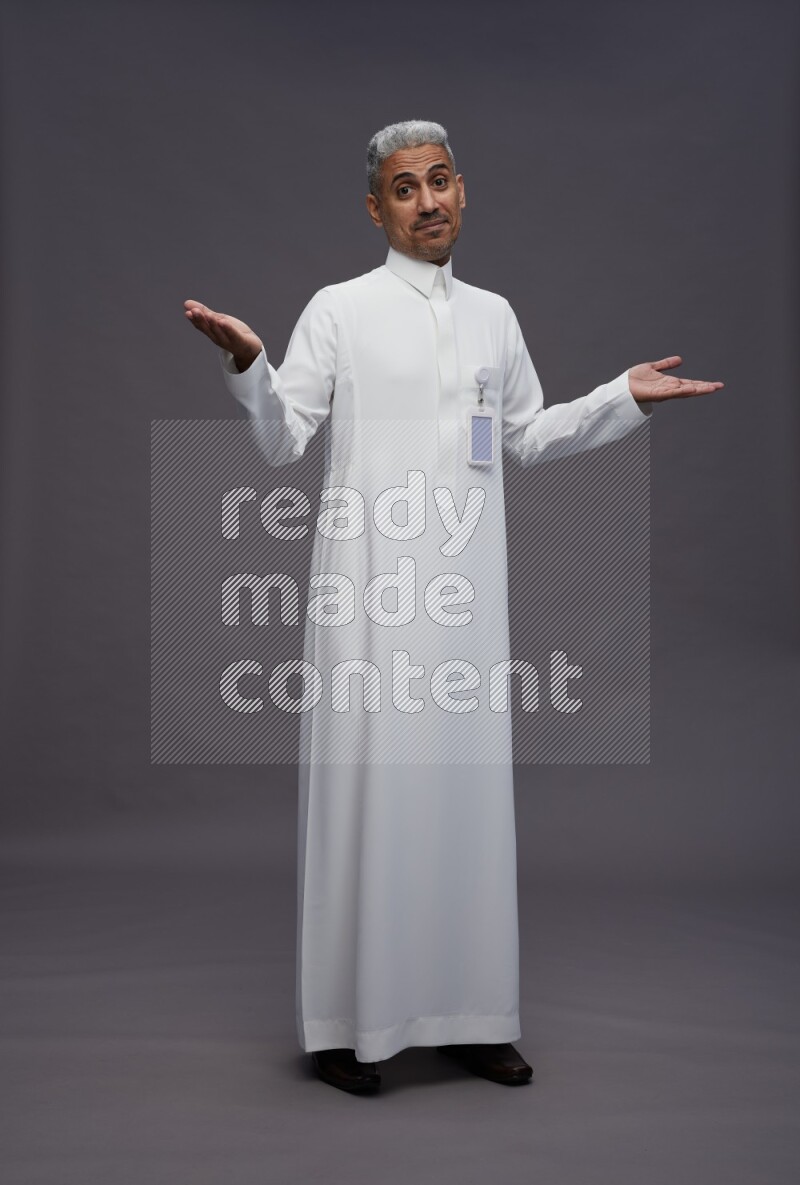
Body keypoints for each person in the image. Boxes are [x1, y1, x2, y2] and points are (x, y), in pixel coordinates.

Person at [184, 120, 723, 1094]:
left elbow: (523, 435)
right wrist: (247, 368)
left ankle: (472, 1016)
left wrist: (619, 397)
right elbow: (280, 441)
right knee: (368, 798)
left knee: (464, 801)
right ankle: (349, 1027)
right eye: (403, 188)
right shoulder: (339, 311)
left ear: (462, 192)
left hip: (466, 600)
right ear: (374, 208)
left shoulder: (492, 318)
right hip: (367, 598)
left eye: (438, 182)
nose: (426, 201)